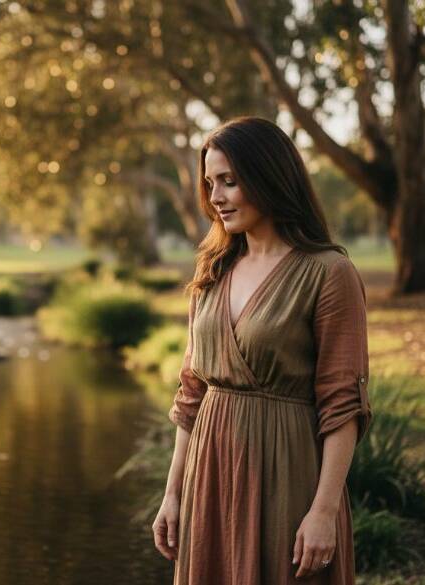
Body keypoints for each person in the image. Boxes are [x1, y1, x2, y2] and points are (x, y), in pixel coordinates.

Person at [151, 116, 373, 584]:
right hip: (209, 477)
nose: (215, 197)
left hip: (288, 475)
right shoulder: (211, 270)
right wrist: (174, 492)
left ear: (269, 176)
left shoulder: (328, 273)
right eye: (210, 183)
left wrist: (324, 511)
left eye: (229, 181)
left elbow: (342, 406)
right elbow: (191, 395)